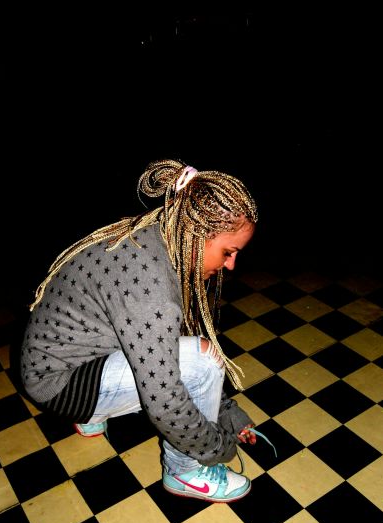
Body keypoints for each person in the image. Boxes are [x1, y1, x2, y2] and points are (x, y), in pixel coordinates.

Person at [20, 158, 273, 503]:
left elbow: (163, 344)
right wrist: (218, 446)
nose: (231, 265)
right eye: (228, 252)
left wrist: (228, 415)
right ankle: (185, 472)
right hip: (58, 385)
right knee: (202, 362)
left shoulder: (156, 236)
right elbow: (165, 399)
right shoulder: (150, 285)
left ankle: (93, 415)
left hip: (60, 361)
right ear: (197, 235)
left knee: (183, 351)